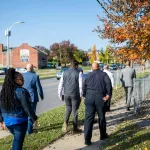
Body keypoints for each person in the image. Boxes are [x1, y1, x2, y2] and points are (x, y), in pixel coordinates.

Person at [0, 68, 37, 150]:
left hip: (8, 122)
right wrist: (34, 118)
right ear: (15, 80)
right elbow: (27, 107)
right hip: (19, 122)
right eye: (21, 79)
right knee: (18, 144)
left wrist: (1, 120)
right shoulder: (21, 91)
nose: (23, 80)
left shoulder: (3, 92)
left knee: (16, 140)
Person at [83, 62, 112, 145]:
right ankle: (103, 135)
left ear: (92, 68)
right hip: (100, 98)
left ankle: (87, 139)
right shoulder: (104, 75)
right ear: (99, 67)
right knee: (101, 117)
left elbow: (83, 87)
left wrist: (86, 96)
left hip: (89, 98)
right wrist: (108, 95)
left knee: (88, 119)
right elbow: (108, 85)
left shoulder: (88, 75)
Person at [58, 60, 82, 133]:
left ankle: (65, 124)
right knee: (75, 110)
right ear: (76, 66)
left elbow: (60, 85)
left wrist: (60, 95)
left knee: (68, 108)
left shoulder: (64, 73)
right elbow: (80, 86)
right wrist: (81, 95)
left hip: (66, 94)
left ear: (70, 65)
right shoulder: (79, 73)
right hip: (75, 94)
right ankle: (75, 128)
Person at [23, 64, 44, 134]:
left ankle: (26, 128)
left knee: (25, 113)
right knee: (31, 114)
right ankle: (29, 130)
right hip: (32, 98)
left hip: (22, 98)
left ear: (26, 68)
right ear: (32, 69)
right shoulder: (35, 76)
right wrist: (41, 96)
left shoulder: (22, 75)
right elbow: (39, 88)